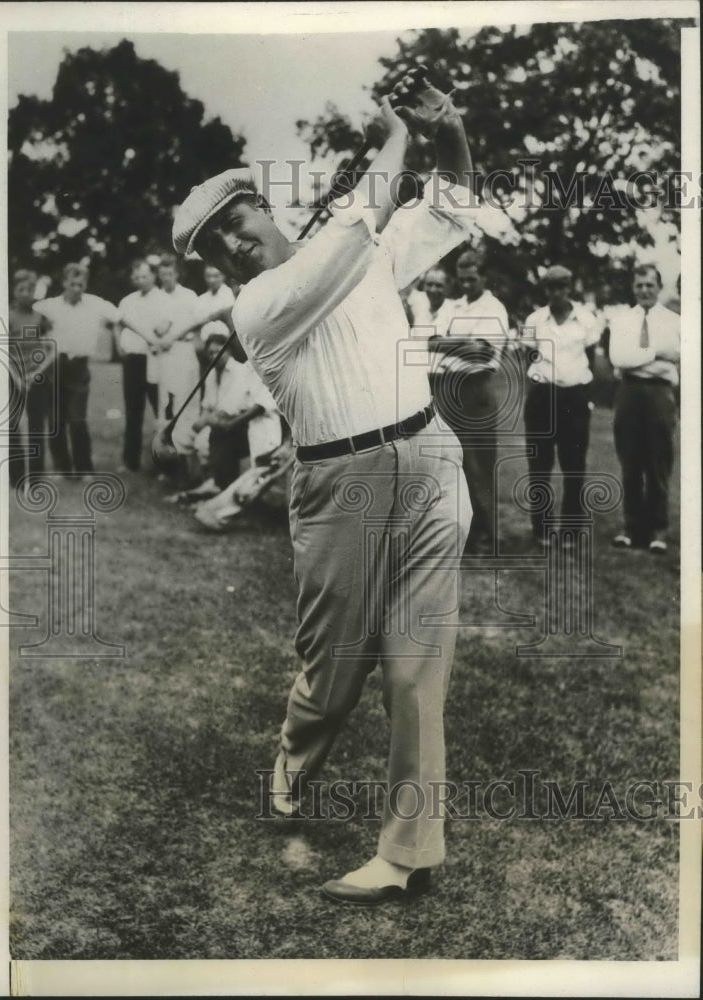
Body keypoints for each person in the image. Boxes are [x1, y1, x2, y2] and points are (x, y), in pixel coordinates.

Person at [173, 70, 478, 904]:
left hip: (429, 458)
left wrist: (444, 129)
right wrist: (396, 139)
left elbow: (450, 204)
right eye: (217, 246)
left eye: (240, 222)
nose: (237, 244)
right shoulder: (261, 306)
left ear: (263, 211)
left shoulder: (357, 252)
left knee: (416, 672)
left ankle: (407, 855)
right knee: (334, 672)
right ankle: (293, 761)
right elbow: (354, 231)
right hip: (338, 482)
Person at [428, 249, 509, 552]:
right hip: (448, 389)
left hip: (476, 390)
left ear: (484, 277)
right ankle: (461, 533)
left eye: (471, 280)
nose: (465, 286)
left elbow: (481, 352)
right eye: (461, 280)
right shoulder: (454, 307)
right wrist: (463, 343)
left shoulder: (494, 308)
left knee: (478, 465)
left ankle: (486, 536)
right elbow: (432, 341)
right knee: (450, 462)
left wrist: (449, 344)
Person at [521, 265, 601, 546]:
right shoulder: (535, 319)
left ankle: (570, 530)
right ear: (546, 290)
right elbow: (527, 355)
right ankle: (541, 529)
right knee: (539, 465)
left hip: (574, 398)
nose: (557, 293)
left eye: (562, 287)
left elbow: (590, 356)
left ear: (570, 288)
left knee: (574, 465)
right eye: (551, 287)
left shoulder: (586, 319)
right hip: (542, 397)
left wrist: (582, 392)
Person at [608, 263, 680, 553]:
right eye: (639, 285)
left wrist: (641, 355)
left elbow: (676, 353)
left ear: (659, 287)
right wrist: (654, 353)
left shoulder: (674, 320)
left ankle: (658, 529)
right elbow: (619, 358)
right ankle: (631, 527)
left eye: (649, 285)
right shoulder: (623, 319)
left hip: (659, 393)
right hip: (629, 391)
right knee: (630, 460)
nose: (644, 290)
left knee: (658, 461)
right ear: (632, 287)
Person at [191, 326, 284, 531]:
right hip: (251, 427)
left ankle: (223, 512)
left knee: (260, 471)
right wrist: (220, 419)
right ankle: (221, 494)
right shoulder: (250, 366)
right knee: (246, 463)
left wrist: (231, 423)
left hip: (268, 427)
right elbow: (236, 401)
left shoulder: (272, 362)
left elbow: (261, 406)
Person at [33, 263, 119, 476]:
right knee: (56, 422)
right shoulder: (48, 306)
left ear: (85, 285)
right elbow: (26, 314)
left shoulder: (94, 304)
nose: (76, 288)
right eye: (72, 284)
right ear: (64, 283)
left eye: (80, 284)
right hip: (55, 366)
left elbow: (120, 317)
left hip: (79, 368)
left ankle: (84, 468)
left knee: (77, 420)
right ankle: (63, 469)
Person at [7, 269, 55, 486]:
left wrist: (36, 374)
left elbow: (51, 349)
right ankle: (16, 478)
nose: (26, 294)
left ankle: (36, 477)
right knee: (13, 426)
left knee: (37, 427)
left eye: (30, 289)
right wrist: (17, 378)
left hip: (38, 379)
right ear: (14, 291)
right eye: (21, 289)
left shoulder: (40, 318)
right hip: (13, 379)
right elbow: (2, 351)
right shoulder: (7, 316)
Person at [116, 259, 165, 472]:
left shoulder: (163, 299)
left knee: (160, 410)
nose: (140, 280)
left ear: (154, 276)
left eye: (145, 276)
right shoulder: (127, 300)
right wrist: (119, 345)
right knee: (133, 410)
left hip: (155, 359)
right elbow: (117, 324)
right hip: (132, 359)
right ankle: (130, 461)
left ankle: (162, 462)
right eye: (136, 277)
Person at [154, 253, 200, 461]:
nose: (166, 278)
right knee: (165, 403)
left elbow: (195, 323)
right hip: (165, 355)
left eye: (169, 274)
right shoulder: (157, 297)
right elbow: (156, 327)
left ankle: (185, 452)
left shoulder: (189, 296)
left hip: (185, 351)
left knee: (185, 401)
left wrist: (172, 330)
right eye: (162, 274)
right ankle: (163, 455)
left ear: (177, 274)